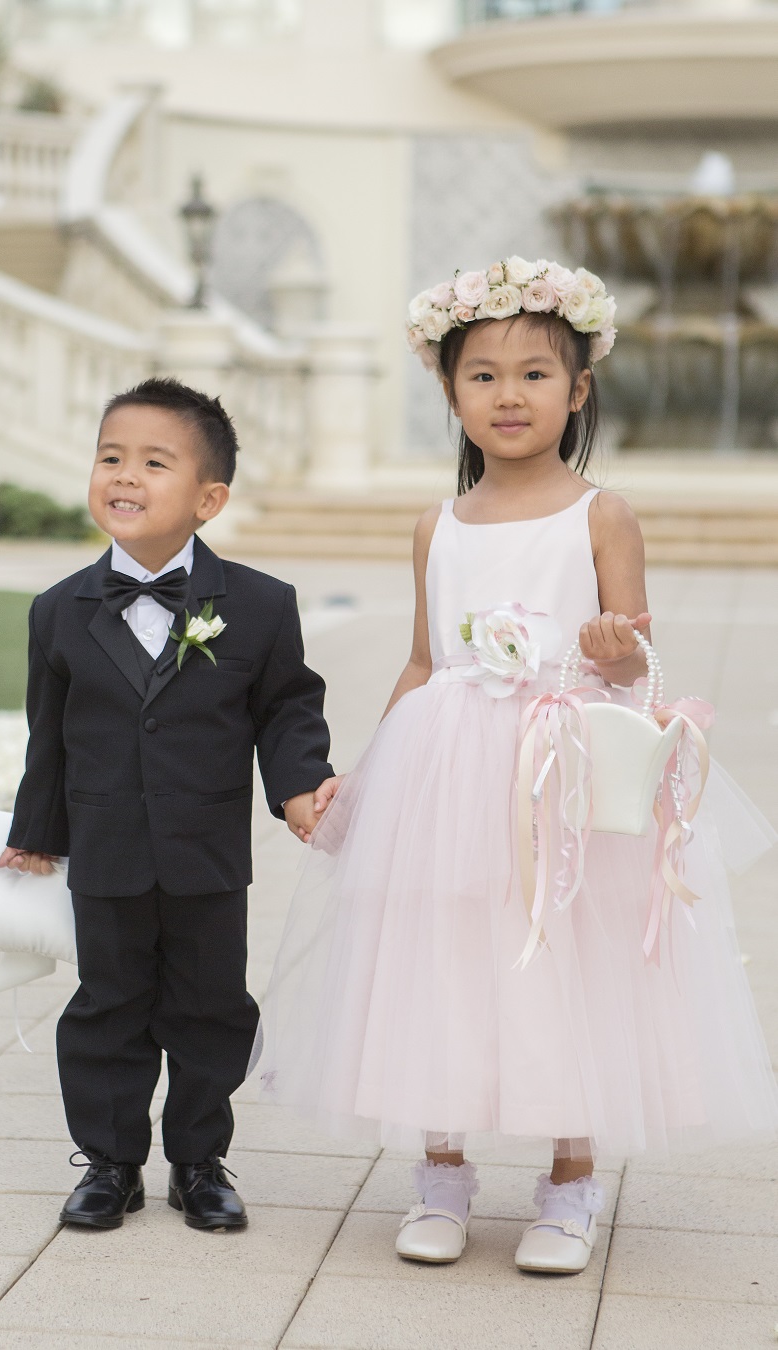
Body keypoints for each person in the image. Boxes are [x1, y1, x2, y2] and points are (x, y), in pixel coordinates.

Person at [258, 259, 778, 1272]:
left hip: (559, 762)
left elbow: (631, 654)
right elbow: (422, 658)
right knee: (439, 952)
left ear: (579, 390)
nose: (509, 395)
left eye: (536, 374)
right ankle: (440, 1171)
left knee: (566, 959)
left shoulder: (601, 515)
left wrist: (611, 650)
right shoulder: (435, 525)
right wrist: (365, 782)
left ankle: (571, 1183)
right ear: (450, 393)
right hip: (445, 767)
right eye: (483, 376)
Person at [0, 377, 333, 1232]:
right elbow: (50, 734)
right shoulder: (60, 611)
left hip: (206, 852)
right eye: (111, 457)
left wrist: (300, 787)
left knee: (209, 1004)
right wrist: (35, 834)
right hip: (107, 845)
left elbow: (286, 705)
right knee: (107, 1002)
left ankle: (198, 1159)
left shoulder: (259, 605)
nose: (126, 476)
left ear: (209, 498)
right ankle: (110, 1162)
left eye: (154, 462)